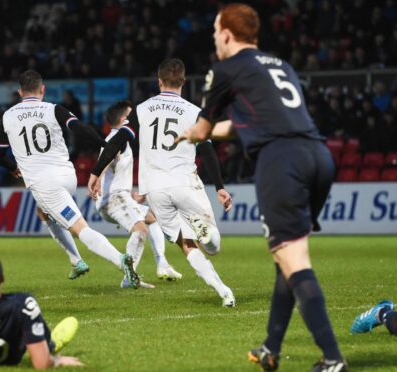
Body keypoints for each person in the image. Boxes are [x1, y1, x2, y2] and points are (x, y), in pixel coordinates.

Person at [179, 4, 345, 371]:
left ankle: (333, 360)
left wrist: (191, 133)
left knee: (293, 259)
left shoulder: (224, 70)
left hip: (282, 161)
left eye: (215, 31)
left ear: (226, 34)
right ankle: (271, 348)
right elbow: (247, 124)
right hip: (318, 156)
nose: (213, 38)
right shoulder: (278, 65)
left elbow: (204, 131)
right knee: (286, 255)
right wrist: (205, 130)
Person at [88, 58, 236, 307]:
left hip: (155, 190)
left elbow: (118, 139)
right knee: (212, 246)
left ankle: (223, 291)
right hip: (185, 183)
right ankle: (207, 235)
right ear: (184, 82)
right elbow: (207, 151)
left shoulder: (142, 109)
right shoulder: (193, 111)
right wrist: (219, 187)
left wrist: (95, 171)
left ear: (159, 82)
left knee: (187, 244)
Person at [0, 70, 140, 289]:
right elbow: (80, 128)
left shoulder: (7, 116)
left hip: (45, 184)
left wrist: (13, 167)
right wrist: (103, 144)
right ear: (42, 89)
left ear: (19, 92)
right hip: (67, 176)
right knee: (43, 212)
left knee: (80, 228)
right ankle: (76, 260)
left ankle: (120, 260)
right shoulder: (54, 109)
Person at [96, 100, 183, 287]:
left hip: (120, 197)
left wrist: (131, 194)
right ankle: (129, 277)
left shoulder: (118, 138)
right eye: (131, 115)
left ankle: (162, 263)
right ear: (124, 119)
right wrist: (95, 179)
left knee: (152, 218)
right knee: (141, 230)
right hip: (113, 199)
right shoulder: (117, 139)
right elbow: (106, 159)